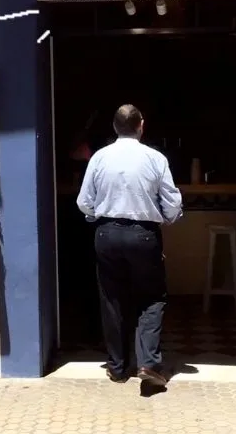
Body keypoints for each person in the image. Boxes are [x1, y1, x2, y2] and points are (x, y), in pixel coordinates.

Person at [76, 104, 182, 387]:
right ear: (141, 125)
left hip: (106, 234)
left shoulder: (99, 157)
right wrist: (167, 219)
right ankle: (148, 363)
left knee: (112, 299)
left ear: (114, 127)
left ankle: (117, 367)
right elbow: (172, 202)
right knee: (152, 297)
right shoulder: (155, 158)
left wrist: (96, 216)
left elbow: (84, 201)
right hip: (143, 235)